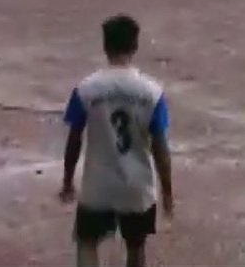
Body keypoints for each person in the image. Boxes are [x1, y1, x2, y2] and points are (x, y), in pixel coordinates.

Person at [60, 15, 174, 267]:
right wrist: (167, 193)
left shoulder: (86, 89)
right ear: (135, 47)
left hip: (97, 185)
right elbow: (160, 148)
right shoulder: (152, 92)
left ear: (105, 46)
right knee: (136, 246)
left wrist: (68, 182)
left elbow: (74, 140)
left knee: (87, 241)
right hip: (137, 187)